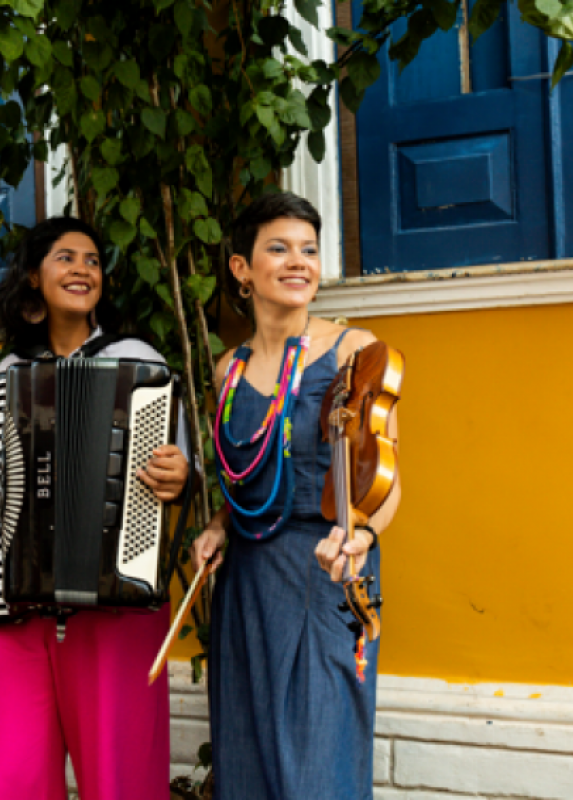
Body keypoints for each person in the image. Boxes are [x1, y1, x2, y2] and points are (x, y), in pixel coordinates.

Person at [0, 216, 190, 800]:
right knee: (8, 777)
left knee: (121, 778)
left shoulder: (138, 360)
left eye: (92, 261)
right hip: (16, 613)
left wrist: (175, 475)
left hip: (116, 611)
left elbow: (176, 467)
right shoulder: (9, 375)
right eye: (66, 257)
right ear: (35, 277)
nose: (82, 269)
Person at [190, 192, 402, 799]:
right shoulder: (227, 369)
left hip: (328, 567)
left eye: (308, 249)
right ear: (241, 268)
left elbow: (385, 477)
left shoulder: (355, 351)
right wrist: (216, 527)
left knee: (318, 759)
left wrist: (360, 536)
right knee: (247, 753)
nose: (297, 262)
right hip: (248, 580)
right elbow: (244, 479)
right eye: (278, 248)